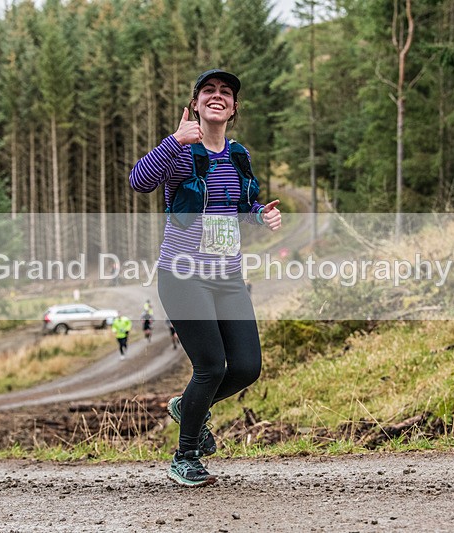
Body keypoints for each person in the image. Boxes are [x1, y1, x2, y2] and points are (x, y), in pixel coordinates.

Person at [129, 68, 281, 487]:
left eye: (225, 92)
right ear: (195, 105)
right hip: (183, 275)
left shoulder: (238, 155)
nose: (218, 95)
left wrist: (261, 215)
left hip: (228, 277)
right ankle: (185, 456)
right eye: (208, 90)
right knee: (211, 366)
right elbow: (139, 181)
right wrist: (175, 140)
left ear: (233, 108)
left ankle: (187, 406)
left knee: (247, 367)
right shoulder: (181, 152)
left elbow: (240, 207)